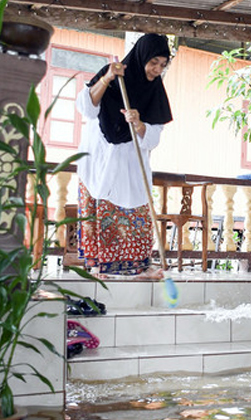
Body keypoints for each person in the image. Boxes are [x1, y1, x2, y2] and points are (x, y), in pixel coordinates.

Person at [75, 34, 173, 278]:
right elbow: (86, 108)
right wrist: (107, 77)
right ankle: (98, 266)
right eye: (154, 62)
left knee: (136, 210)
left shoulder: (155, 91)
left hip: (131, 162)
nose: (157, 69)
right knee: (99, 208)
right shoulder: (112, 75)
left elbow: (155, 137)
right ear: (142, 57)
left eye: (163, 64)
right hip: (99, 156)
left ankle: (140, 266)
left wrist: (139, 124)